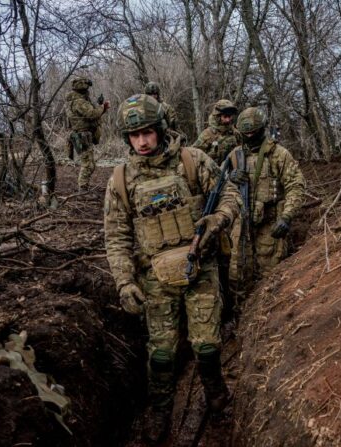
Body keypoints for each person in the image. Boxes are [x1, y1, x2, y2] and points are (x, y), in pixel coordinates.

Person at [103, 93, 240, 442]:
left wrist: (218, 219)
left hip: (201, 269)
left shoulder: (192, 160)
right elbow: (116, 237)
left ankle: (217, 397)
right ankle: (160, 409)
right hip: (156, 278)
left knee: (207, 346)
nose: (142, 141)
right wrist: (124, 283)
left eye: (148, 132)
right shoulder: (121, 180)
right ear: (127, 138)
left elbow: (229, 194)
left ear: (160, 129)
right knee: (161, 355)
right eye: (134, 136)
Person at [226, 107, 306, 300]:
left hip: (270, 225)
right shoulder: (235, 156)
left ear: (263, 129)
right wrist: (230, 177)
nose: (250, 137)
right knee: (238, 274)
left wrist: (287, 217)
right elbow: (216, 187)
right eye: (246, 134)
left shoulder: (278, 154)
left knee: (270, 276)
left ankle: (265, 315)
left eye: (254, 133)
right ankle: (240, 314)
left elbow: (296, 185)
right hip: (241, 226)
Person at [65, 77, 110, 189]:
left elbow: (90, 116)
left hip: (83, 135)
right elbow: (92, 114)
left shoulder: (76, 101)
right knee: (88, 165)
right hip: (82, 136)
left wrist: (102, 109)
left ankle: (84, 187)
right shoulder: (79, 102)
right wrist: (102, 107)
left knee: (89, 164)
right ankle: (83, 188)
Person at [193, 99, 239, 165]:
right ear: (218, 116)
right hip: (212, 172)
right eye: (225, 116)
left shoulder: (235, 133)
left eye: (230, 116)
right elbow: (194, 156)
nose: (228, 120)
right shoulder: (207, 134)